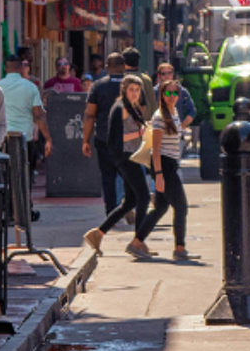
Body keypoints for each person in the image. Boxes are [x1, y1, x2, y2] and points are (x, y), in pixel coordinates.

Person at [83, 75, 155, 256]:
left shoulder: (131, 107)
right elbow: (118, 137)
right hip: (125, 157)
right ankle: (137, 242)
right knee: (144, 197)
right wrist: (141, 132)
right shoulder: (121, 108)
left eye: (137, 90)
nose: (134, 93)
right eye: (131, 90)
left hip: (131, 156)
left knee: (130, 201)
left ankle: (97, 234)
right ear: (124, 90)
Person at [135, 63, 195, 260]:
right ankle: (180, 248)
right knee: (182, 207)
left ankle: (137, 242)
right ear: (161, 95)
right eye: (168, 93)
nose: (172, 96)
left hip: (170, 164)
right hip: (165, 166)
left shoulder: (174, 113)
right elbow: (156, 149)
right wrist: (158, 175)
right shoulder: (160, 116)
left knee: (160, 208)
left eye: (175, 93)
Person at [81, 51, 128, 220]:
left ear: (107, 67)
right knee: (129, 175)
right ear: (124, 67)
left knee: (108, 177)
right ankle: (127, 205)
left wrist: (85, 140)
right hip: (128, 139)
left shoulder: (98, 86)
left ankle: (111, 213)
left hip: (104, 137)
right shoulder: (132, 85)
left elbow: (89, 114)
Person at [0, 53, 51, 178]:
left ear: (5, 68)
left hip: (4, 136)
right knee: (26, 173)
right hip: (25, 136)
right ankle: (26, 196)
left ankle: (8, 196)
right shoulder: (31, 87)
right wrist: (48, 138)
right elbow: (38, 115)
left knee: (6, 174)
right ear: (20, 68)